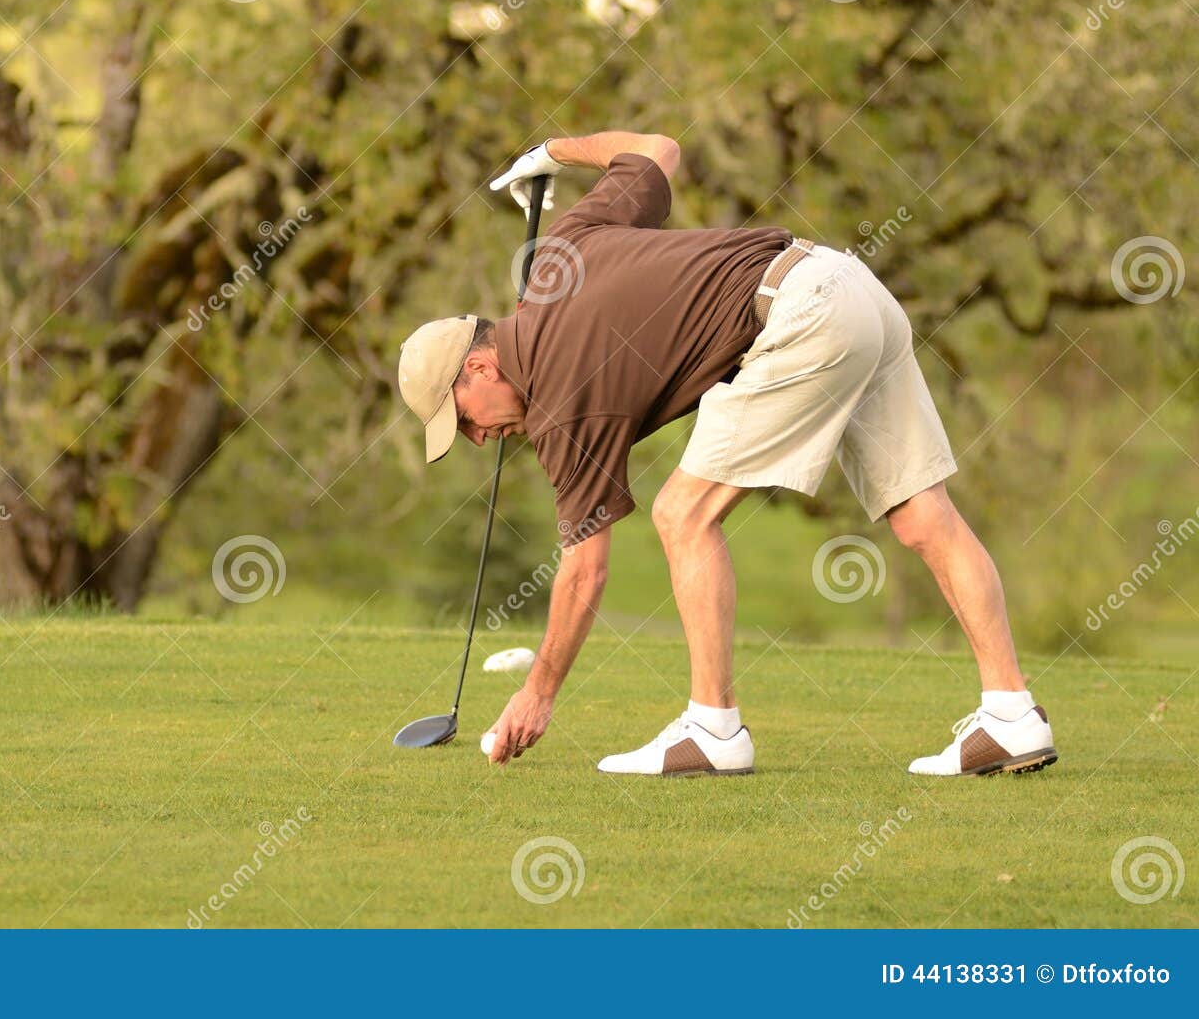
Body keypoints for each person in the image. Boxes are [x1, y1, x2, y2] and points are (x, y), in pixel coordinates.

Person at [395, 130, 1057, 778]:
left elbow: (584, 573)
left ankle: (713, 728)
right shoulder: (555, 257)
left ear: (480, 367)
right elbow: (657, 150)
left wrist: (537, 691)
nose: (478, 440)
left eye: (463, 420)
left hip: (803, 317)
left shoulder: (560, 401)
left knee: (682, 514)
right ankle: (1011, 713)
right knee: (922, 513)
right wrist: (552, 152)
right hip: (850, 285)